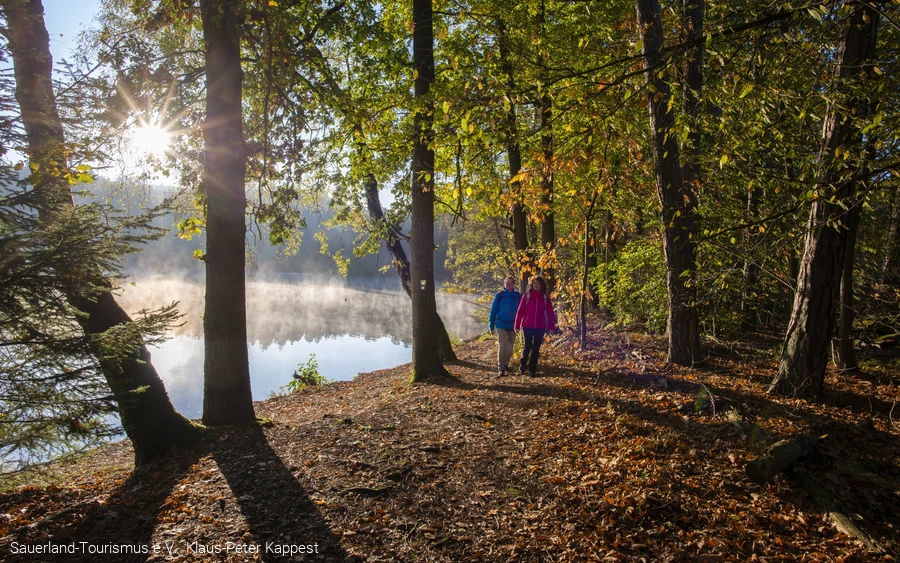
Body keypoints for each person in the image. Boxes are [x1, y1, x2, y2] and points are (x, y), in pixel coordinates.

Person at [514, 275, 557, 377]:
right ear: (531, 285)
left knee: (536, 348)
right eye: (534, 283)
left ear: (542, 285)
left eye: (538, 283)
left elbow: (550, 313)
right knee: (527, 346)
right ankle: (523, 363)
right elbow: (520, 311)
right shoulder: (527, 296)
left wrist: (552, 327)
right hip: (527, 325)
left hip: (540, 326)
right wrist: (517, 325)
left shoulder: (545, 297)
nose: (536, 285)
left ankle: (532, 369)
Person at [489, 275, 522, 377]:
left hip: (513, 325)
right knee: (502, 345)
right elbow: (493, 311)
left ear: (514, 284)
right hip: (501, 324)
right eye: (507, 282)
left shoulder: (518, 296)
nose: (509, 284)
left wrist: (521, 324)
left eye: (511, 283)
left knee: (510, 346)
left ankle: (506, 364)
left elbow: (522, 311)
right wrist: (491, 326)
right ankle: (501, 368)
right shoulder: (499, 296)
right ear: (504, 284)